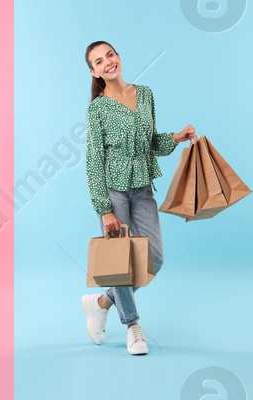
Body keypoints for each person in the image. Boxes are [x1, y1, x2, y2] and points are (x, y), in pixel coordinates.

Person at [76, 41, 197, 356]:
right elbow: (93, 161)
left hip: (142, 188)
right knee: (120, 263)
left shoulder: (145, 94)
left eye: (110, 55)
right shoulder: (98, 108)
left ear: (118, 57)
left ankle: (102, 302)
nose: (108, 63)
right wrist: (104, 209)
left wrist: (176, 138)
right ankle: (133, 326)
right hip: (114, 192)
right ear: (94, 72)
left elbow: (150, 141)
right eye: (99, 62)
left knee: (154, 257)